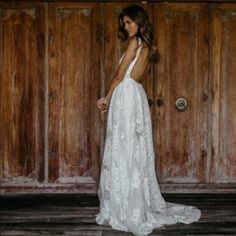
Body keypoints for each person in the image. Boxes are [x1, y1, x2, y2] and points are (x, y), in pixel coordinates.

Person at [95, 5, 201, 236]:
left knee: (124, 148)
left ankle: (124, 205)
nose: (127, 26)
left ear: (140, 21)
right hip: (136, 95)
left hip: (125, 94)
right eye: (124, 24)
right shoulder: (148, 46)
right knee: (133, 148)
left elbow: (119, 74)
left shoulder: (134, 43)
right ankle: (133, 200)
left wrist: (106, 97)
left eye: (129, 22)